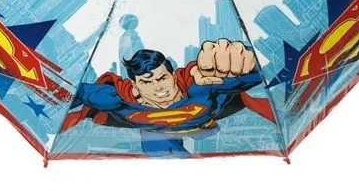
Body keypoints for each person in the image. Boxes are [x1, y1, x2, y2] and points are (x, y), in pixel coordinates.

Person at [62, 38, 275, 158]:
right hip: (155, 134)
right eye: (147, 82)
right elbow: (77, 94)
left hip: (202, 128)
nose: (158, 88)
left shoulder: (201, 88)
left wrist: (241, 60)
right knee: (160, 149)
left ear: (173, 76)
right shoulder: (116, 99)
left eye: (162, 78)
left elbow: (252, 77)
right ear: (135, 86)